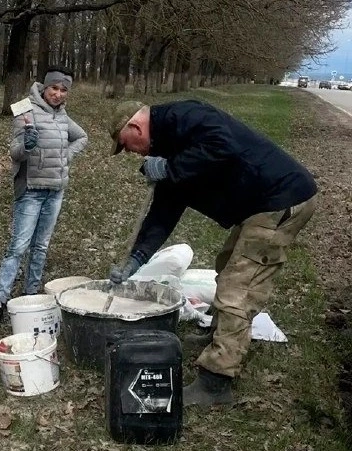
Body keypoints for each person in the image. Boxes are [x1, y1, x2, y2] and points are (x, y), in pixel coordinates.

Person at [107, 99, 318, 406]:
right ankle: (219, 334)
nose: (131, 153)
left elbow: (222, 145)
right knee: (227, 264)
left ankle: (216, 381)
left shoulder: (184, 116)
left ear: (136, 127)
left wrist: (169, 168)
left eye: (126, 145)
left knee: (239, 288)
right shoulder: (167, 148)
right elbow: (163, 212)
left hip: (281, 198)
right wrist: (136, 259)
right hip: (257, 205)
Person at [0, 65, 89, 323]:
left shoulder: (62, 115)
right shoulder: (25, 110)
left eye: (64, 90)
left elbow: (82, 137)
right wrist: (27, 145)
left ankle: (30, 296)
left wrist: (66, 156)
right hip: (30, 190)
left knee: (40, 246)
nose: (58, 94)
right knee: (18, 247)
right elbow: (15, 152)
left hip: (55, 191)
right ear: (44, 87)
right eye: (54, 88)